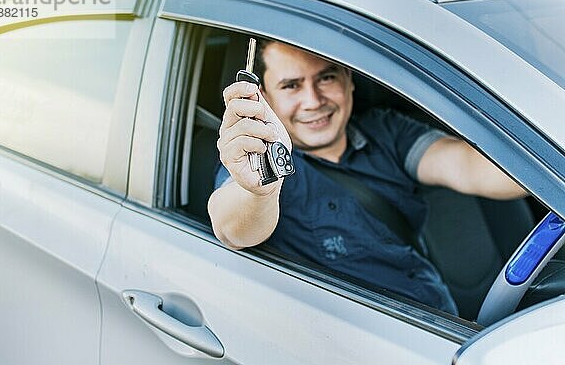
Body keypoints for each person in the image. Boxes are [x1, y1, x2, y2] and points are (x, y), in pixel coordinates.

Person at [208, 40, 527, 314]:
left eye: (327, 78)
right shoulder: (259, 160)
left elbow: (470, 167)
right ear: (265, 97)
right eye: (292, 86)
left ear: (349, 79)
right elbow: (232, 229)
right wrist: (261, 190)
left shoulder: (385, 130)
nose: (314, 101)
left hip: (441, 320)